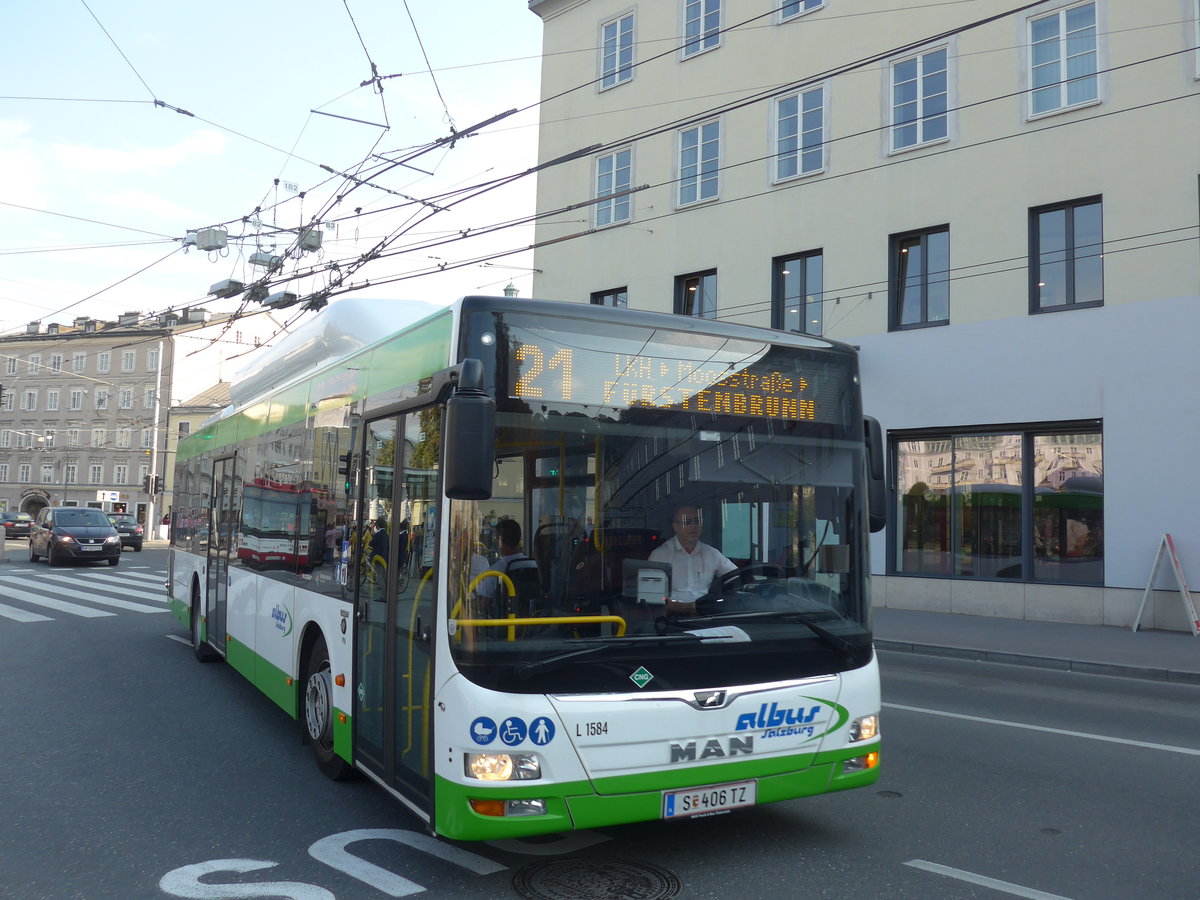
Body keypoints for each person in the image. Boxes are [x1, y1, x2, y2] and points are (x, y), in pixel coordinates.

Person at [648, 505, 737, 614]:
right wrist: (685, 607)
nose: (694, 526)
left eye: (697, 521)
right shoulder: (660, 555)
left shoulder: (711, 553)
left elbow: (735, 577)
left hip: (705, 613)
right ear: (675, 527)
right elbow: (651, 595)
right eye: (688, 522)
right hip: (671, 616)